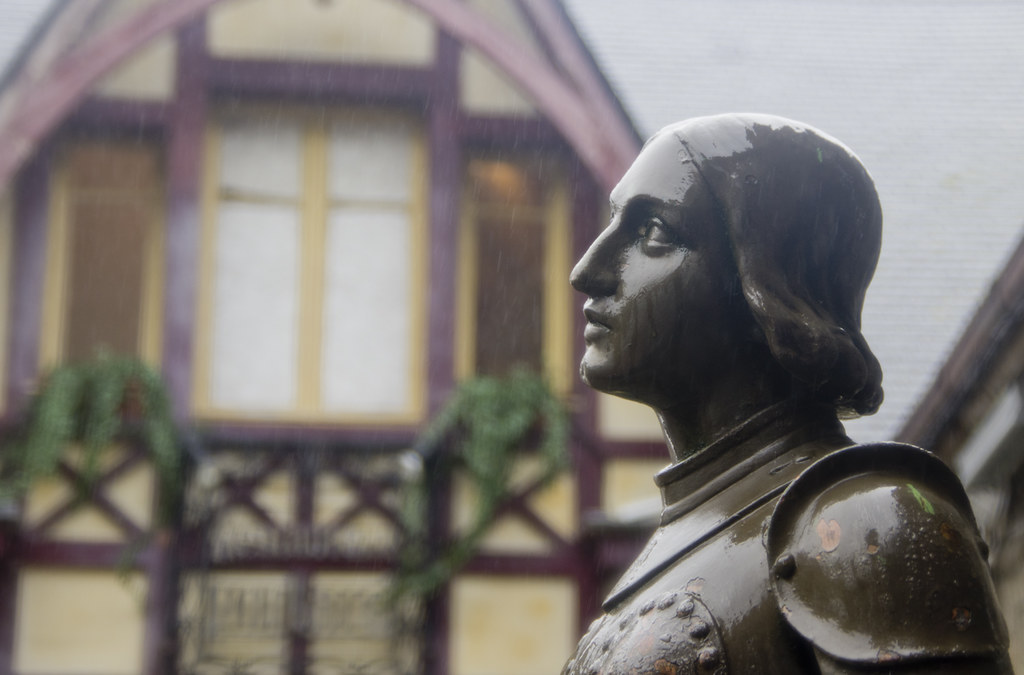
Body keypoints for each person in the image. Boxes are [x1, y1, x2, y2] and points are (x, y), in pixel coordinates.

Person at [562, 114, 1011, 674]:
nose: (587, 270)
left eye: (653, 232)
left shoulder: (868, 521)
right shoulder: (665, 550)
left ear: (766, 284)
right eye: (613, 224)